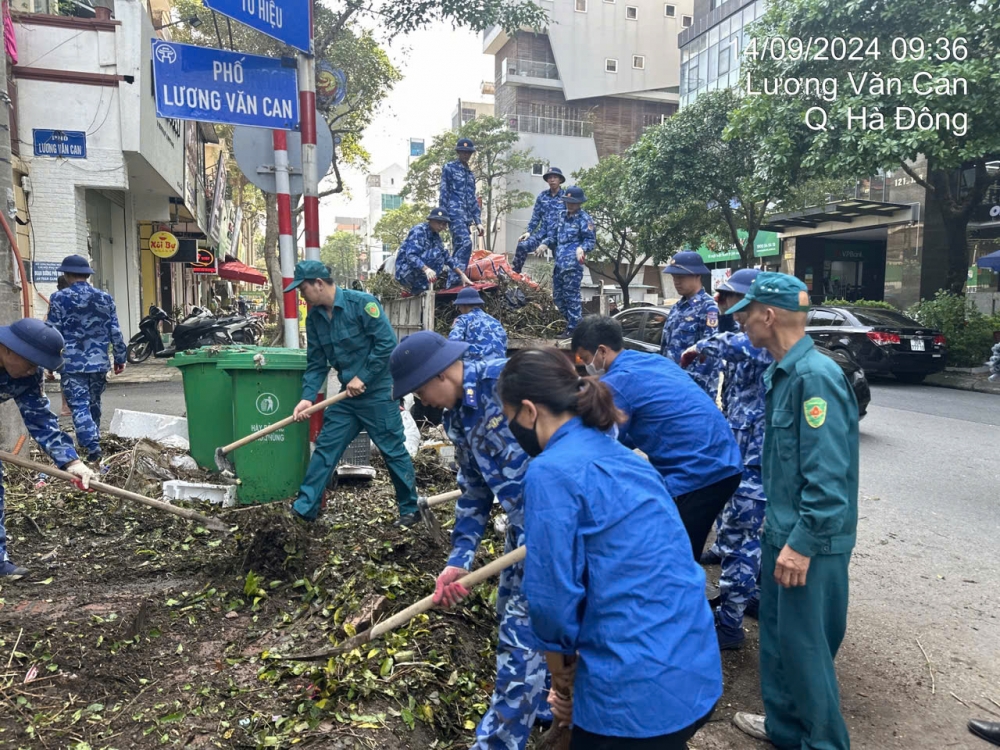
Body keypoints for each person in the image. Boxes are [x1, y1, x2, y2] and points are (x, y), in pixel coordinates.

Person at [496, 347, 722, 750]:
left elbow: (551, 600)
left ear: (528, 411)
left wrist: (563, 685)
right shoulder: (628, 459)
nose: (510, 428)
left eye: (508, 418)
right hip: (694, 670)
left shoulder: (551, 472)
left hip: (633, 698)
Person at [389, 331, 551, 750]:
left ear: (442, 374)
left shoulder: (508, 382)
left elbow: (586, 434)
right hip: (522, 532)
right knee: (511, 616)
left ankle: (497, 742)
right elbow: (475, 492)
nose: (421, 401)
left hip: (559, 532)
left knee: (521, 637)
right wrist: (459, 559)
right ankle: (547, 705)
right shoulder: (456, 418)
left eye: (420, 389)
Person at [726, 272, 858, 750]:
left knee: (806, 654)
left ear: (769, 314)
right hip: (781, 533)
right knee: (779, 647)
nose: (740, 321)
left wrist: (800, 546)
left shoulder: (814, 378)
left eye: (746, 312)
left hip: (810, 543)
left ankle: (823, 743)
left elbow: (827, 479)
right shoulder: (782, 373)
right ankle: (785, 731)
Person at [571, 316, 742, 562]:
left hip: (698, 473)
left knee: (672, 556)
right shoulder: (654, 362)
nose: (587, 367)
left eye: (586, 360)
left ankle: (684, 597)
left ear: (601, 351)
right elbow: (633, 429)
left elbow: (600, 444)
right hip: (724, 461)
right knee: (676, 547)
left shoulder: (617, 383)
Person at [285, 261, 420, 526]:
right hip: (347, 397)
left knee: (392, 450)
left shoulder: (362, 304)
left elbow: (386, 344)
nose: (301, 296)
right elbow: (316, 362)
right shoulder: (314, 318)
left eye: (302, 289)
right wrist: (307, 397)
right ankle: (304, 510)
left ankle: (410, 510)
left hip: (377, 392)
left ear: (319, 284)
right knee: (326, 448)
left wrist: (364, 376)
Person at [681, 269, 772, 650]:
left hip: (755, 461)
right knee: (746, 538)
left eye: (731, 299)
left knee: (740, 541)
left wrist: (701, 347)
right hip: (743, 452)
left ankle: (730, 625)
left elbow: (738, 347)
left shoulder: (759, 340)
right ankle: (747, 599)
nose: (725, 307)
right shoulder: (745, 334)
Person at [0, 318, 98, 579]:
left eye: (38, 365)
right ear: (7, 348)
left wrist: (71, 462)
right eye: (30, 361)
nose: (34, 370)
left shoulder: (26, 377)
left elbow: (40, 419)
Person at [46, 254, 127, 464]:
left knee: (79, 405)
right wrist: (120, 356)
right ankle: (93, 439)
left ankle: (92, 448)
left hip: (71, 363)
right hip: (99, 361)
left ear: (66, 274)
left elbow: (52, 332)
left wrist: (49, 361)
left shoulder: (59, 298)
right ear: (87, 276)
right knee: (93, 402)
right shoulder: (105, 298)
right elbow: (115, 331)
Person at [660, 251, 721, 398]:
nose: (676, 282)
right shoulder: (676, 308)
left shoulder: (709, 308)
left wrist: (688, 387)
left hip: (694, 391)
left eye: (680, 277)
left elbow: (709, 353)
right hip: (671, 386)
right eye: (674, 277)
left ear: (697, 275)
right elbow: (665, 348)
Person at [537, 186, 595, 336]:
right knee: (558, 297)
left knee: (571, 296)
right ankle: (576, 324)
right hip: (559, 263)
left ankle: (574, 329)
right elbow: (554, 236)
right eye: (568, 202)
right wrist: (544, 244)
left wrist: (582, 248)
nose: (570, 205)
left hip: (573, 265)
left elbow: (590, 240)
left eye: (573, 202)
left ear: (579, 203)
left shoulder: (585, 219)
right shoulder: (561, 216)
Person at [439, 138, 483, 287]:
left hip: (466, 218)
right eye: (463, 152)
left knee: (459, 246)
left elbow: (472, 199)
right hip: (453, 214)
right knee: (466, 243)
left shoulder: (470, 175)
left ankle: (453, 282)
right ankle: (454, 281)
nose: (466, 155)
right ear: (458, 152)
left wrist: (478, 222)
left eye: (468, 152)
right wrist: (442, 218)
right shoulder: (449, 168)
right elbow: (444, 192)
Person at [394, 208, 464, 294]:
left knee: (441, 255)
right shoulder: (419, 231)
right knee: (436, 254)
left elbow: (446, 257)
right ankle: (418, 287)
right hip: (405, 271)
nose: (441, 226)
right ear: (431, 220)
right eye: (439, 223)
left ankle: (419, 289)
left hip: (418, 274)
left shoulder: (436, 236)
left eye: (444, 224)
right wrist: (426, 269)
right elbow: (411, 256)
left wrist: (461, 274)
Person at [512, 167, 566, 273]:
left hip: (559, 236)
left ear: (560, 180)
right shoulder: (542, 196)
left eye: (555, 177)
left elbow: (566, 222)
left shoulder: (566, 197)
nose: (552, 180)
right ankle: (515, 274)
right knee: (522, 245)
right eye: (550, 177)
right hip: (542, 233)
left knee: (561, 263)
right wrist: (528, 231)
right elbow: (536, 217)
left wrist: (547, 243)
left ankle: (560, 285)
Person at [448, 287, 507, 361]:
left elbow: (452, 346)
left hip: (476, 369)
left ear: (464, 305)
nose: (459, 309)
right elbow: (504, 345)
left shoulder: (463, 320)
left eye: (459, 306)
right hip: (498, 367)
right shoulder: (495, 321)